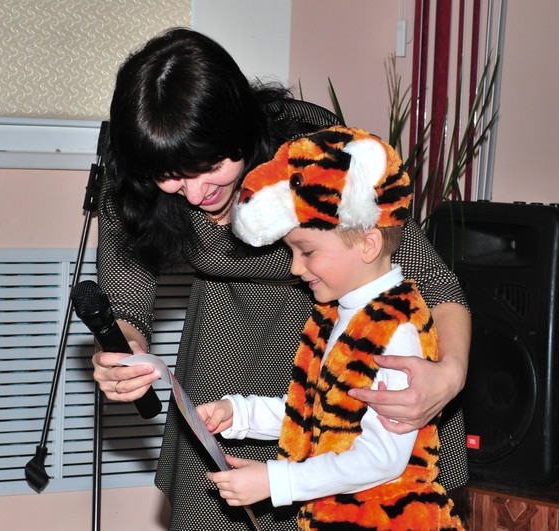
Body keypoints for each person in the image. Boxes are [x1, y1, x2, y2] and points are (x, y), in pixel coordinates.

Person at [92, 27, 471, 531]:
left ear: (241, 128)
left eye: (210, 165)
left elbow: (431, 282)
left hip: (328, 333)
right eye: (172, 176)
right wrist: (125, 353)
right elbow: (125, 289)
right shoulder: (138, 177)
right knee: (218, 504)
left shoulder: (309, 151)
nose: (195, 193)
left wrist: (450, 375)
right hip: (225, 337)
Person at [197, 125, 464, 530]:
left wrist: (278, 481)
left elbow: (382, 459)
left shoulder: (395, 331)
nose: (295, 267)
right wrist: (239, 413)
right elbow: (317, 414)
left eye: (306, 251)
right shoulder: (337, 315)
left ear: (368, 245)